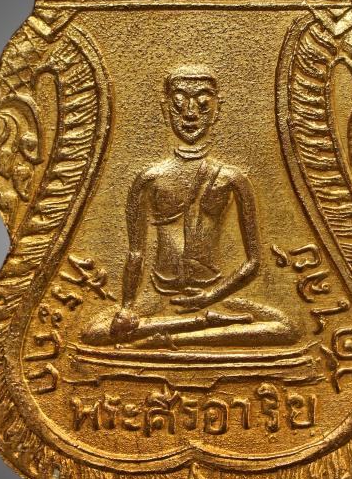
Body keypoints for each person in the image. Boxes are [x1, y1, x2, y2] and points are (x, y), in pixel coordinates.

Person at [83, 65, 297, 348]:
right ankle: (199, 327)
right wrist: (126, 307)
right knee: (95, 332)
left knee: (287, 328)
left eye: (203, 104)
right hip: (160, 294)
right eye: (179, 103)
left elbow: (253, 262)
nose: (191, 114)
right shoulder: (149, 178)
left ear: (217, 111)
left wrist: (211, 297)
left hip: (216, 294)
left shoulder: (232, 178)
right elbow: (136, 253)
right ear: (166, 109)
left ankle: (174, 334)